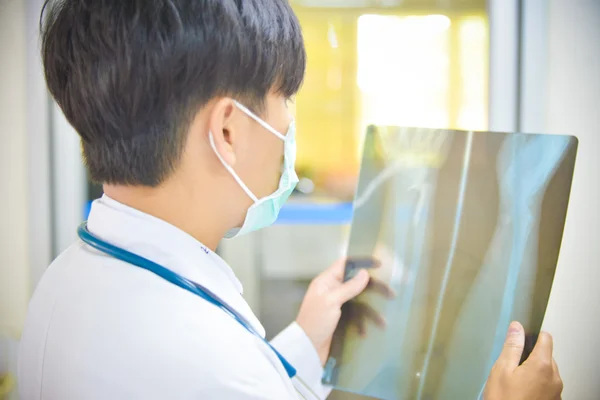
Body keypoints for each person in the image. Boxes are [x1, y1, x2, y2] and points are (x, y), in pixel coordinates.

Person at [18, 1, 563, 399]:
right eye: (285, 99)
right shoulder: (211, 366)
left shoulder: (63, 281)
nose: (287, 125)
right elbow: (231, 381)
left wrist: (304, 341)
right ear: (228, 131)